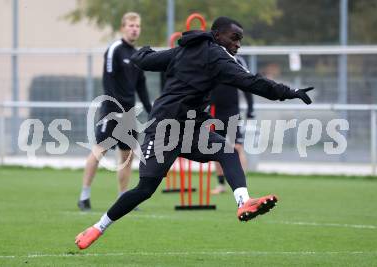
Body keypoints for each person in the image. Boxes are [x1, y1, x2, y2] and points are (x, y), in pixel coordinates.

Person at [75, 16, 313, 249]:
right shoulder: (217, 57)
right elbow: (253, 83)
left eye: (240, 40)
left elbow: (145, 60)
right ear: (218, 35)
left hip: (190, 129)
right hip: (164, 129)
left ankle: (243, 202)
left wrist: (143, 52)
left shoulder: (185, 51)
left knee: (226, 151)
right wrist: (289, 91)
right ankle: (98, 227)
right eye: (234, 38)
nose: (238, 44)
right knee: (145, 190)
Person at [77, 12, 152, 211]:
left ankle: (122, 199)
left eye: (137, 25)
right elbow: (108, 80)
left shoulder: (137, 55)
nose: (134, 28)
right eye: (131, 25)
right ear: (123, 28)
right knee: (99, 151)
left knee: (127, 157)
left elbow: (141, 86)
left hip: (128, 114)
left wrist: (152, 111)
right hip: (112, 111)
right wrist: (113, 108)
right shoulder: (114, 50)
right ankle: (84, 196)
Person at [210, 55, 254, 194]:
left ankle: (241, 185)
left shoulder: (237, 60)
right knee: (217, 148)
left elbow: (247, 84)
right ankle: (221, 184)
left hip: (231, 111)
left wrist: (250, 108)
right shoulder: (209, 57)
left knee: (236, 147)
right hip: (213, 112)